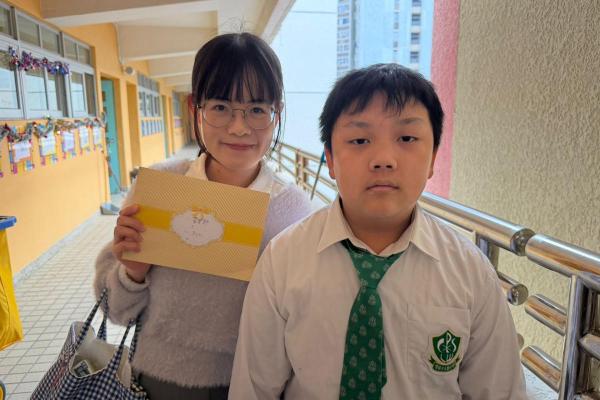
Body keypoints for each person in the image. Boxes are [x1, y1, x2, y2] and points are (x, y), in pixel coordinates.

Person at [229, 63, 527, 399]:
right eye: (359, 140)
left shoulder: (470, 273)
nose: (384, 159)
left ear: (433, 158)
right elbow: (253, 389)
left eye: (407, 138)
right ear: (330, 159)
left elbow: (500, 391)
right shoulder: (282, 261)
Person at [94, 32, 313, 400]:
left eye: (257, 109)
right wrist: (132, 272)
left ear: (277, 113)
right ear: (196, 106)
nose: (239, 127)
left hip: (256, 384)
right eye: (221, 107)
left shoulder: (294, 209)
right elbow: (115, 311)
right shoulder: (160, 187)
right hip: (158, 382)